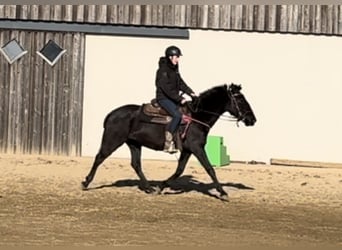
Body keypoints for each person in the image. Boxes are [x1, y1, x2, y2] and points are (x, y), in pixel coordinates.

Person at [155, 45, 197, 153]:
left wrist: (191, 92)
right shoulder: (163, 70)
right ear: (170, 57)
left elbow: (180, 83)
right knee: (177, 115)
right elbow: (166, 88)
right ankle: (167, 143)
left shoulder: (175, 69)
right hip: (163, 98)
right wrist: (179, 98)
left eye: (178, 57)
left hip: (172, 98)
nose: (178, 59)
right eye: (176, 57)